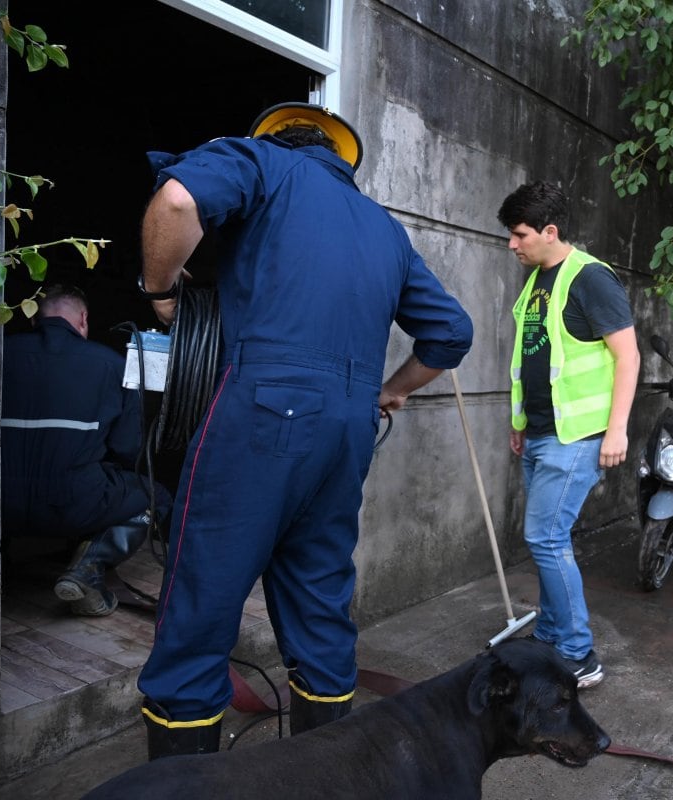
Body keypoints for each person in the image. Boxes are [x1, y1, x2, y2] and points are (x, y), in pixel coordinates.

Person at [134, 103, 473, 758]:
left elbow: (176, 202)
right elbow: (451, 332)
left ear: (277, 140)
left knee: (199, 609)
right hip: (347, 431)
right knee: (319, 606)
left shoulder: (262, 164)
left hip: (258, 413)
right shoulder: (386, 231)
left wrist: (161, 293)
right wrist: (392, 392)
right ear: (341, 159)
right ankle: (322, 777)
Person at [497, 181, 640, 689]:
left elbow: (628, 355)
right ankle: (553, 635)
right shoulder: (539, 280)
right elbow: (532, 356)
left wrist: (617, 430)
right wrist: (521, 424)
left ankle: (579, 653)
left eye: (519, 235)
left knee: (546, 536)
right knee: (544, 539)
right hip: (540, 433)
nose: (512, 245)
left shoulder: (590, 278)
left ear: (549, 231)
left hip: (575, 436)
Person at [0, 283, 172, 617]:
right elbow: (128, 449)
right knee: (155, 495)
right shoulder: (110, 364)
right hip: (74, 504)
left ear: (34, 320)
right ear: (83, 319)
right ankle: (88, 568)